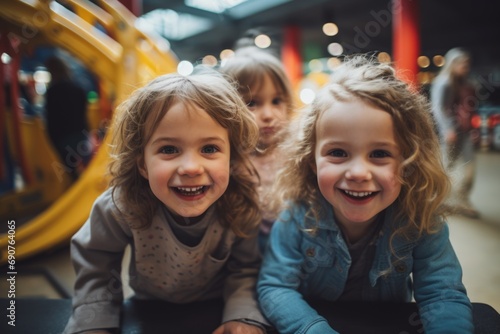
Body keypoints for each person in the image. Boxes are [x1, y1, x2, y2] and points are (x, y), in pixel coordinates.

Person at [257, 55, 473, 333]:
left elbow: (442, 295)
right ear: (312, 160)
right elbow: (275, 286)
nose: (358, 173)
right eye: (338, 153)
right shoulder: (296, 217)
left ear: (408, 163)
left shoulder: (420, 221)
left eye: (380, 154)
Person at [63, 70, 268, 334]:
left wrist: (242, 316)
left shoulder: (240, 205)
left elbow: (247, 268)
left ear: (231, 158)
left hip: (218, 309)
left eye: (209, 149)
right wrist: (93, 322)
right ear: (142, 165)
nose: (191, 167)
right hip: (149, 311)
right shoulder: (121, 206)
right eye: (169, 150)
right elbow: (97, 264)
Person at [220, 46, 295, 254]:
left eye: (277, 101)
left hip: (289, 248)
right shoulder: (229, 159)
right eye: (252, 103)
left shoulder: (294, 152)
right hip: (243, 251)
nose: (269, 114)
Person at [430, 47, 479, 218]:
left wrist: (473, 129)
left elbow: (471, 108)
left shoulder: (466, 83)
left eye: (467, 63)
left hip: (465, 132)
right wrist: (447, 129)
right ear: (453, 64)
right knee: (445, 168)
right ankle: (439, 201)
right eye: (462, 63)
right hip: (450, 133)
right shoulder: (443, 83)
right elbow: (438, 109)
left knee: (469, 167)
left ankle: (462, 199)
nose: (466, 66)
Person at [44, 56, 91, 180]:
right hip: (81, 135)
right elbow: (84, 111)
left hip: (63, 138)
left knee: (72, 173)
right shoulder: (78, 88)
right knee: (86, 168)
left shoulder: (52, 92)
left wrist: (52, 139)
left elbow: (50, 120)